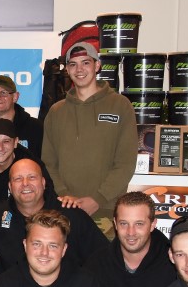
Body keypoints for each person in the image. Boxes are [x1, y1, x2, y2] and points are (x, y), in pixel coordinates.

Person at [43, 42, 138, 231]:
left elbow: (126, 163)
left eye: (85, 63)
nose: (79, 69)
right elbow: (48, 163)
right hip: (64, 210)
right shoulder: (56, 111)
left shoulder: (120, 106)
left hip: (107, 211)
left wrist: (98, 199)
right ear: (67, 69)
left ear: (97, 65)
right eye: (73, 64)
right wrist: (64, 194)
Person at [0, 159, 106, 274]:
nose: (25, 183)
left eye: (32, 177)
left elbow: (104, 257)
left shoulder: (72, 215)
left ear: (43, 182)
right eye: (18, 179)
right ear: (10, 187)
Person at [0, 118, 52, 215]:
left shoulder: (32, 165)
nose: (0, 148)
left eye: (6, 141)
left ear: (15, 142)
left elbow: (49, 197)